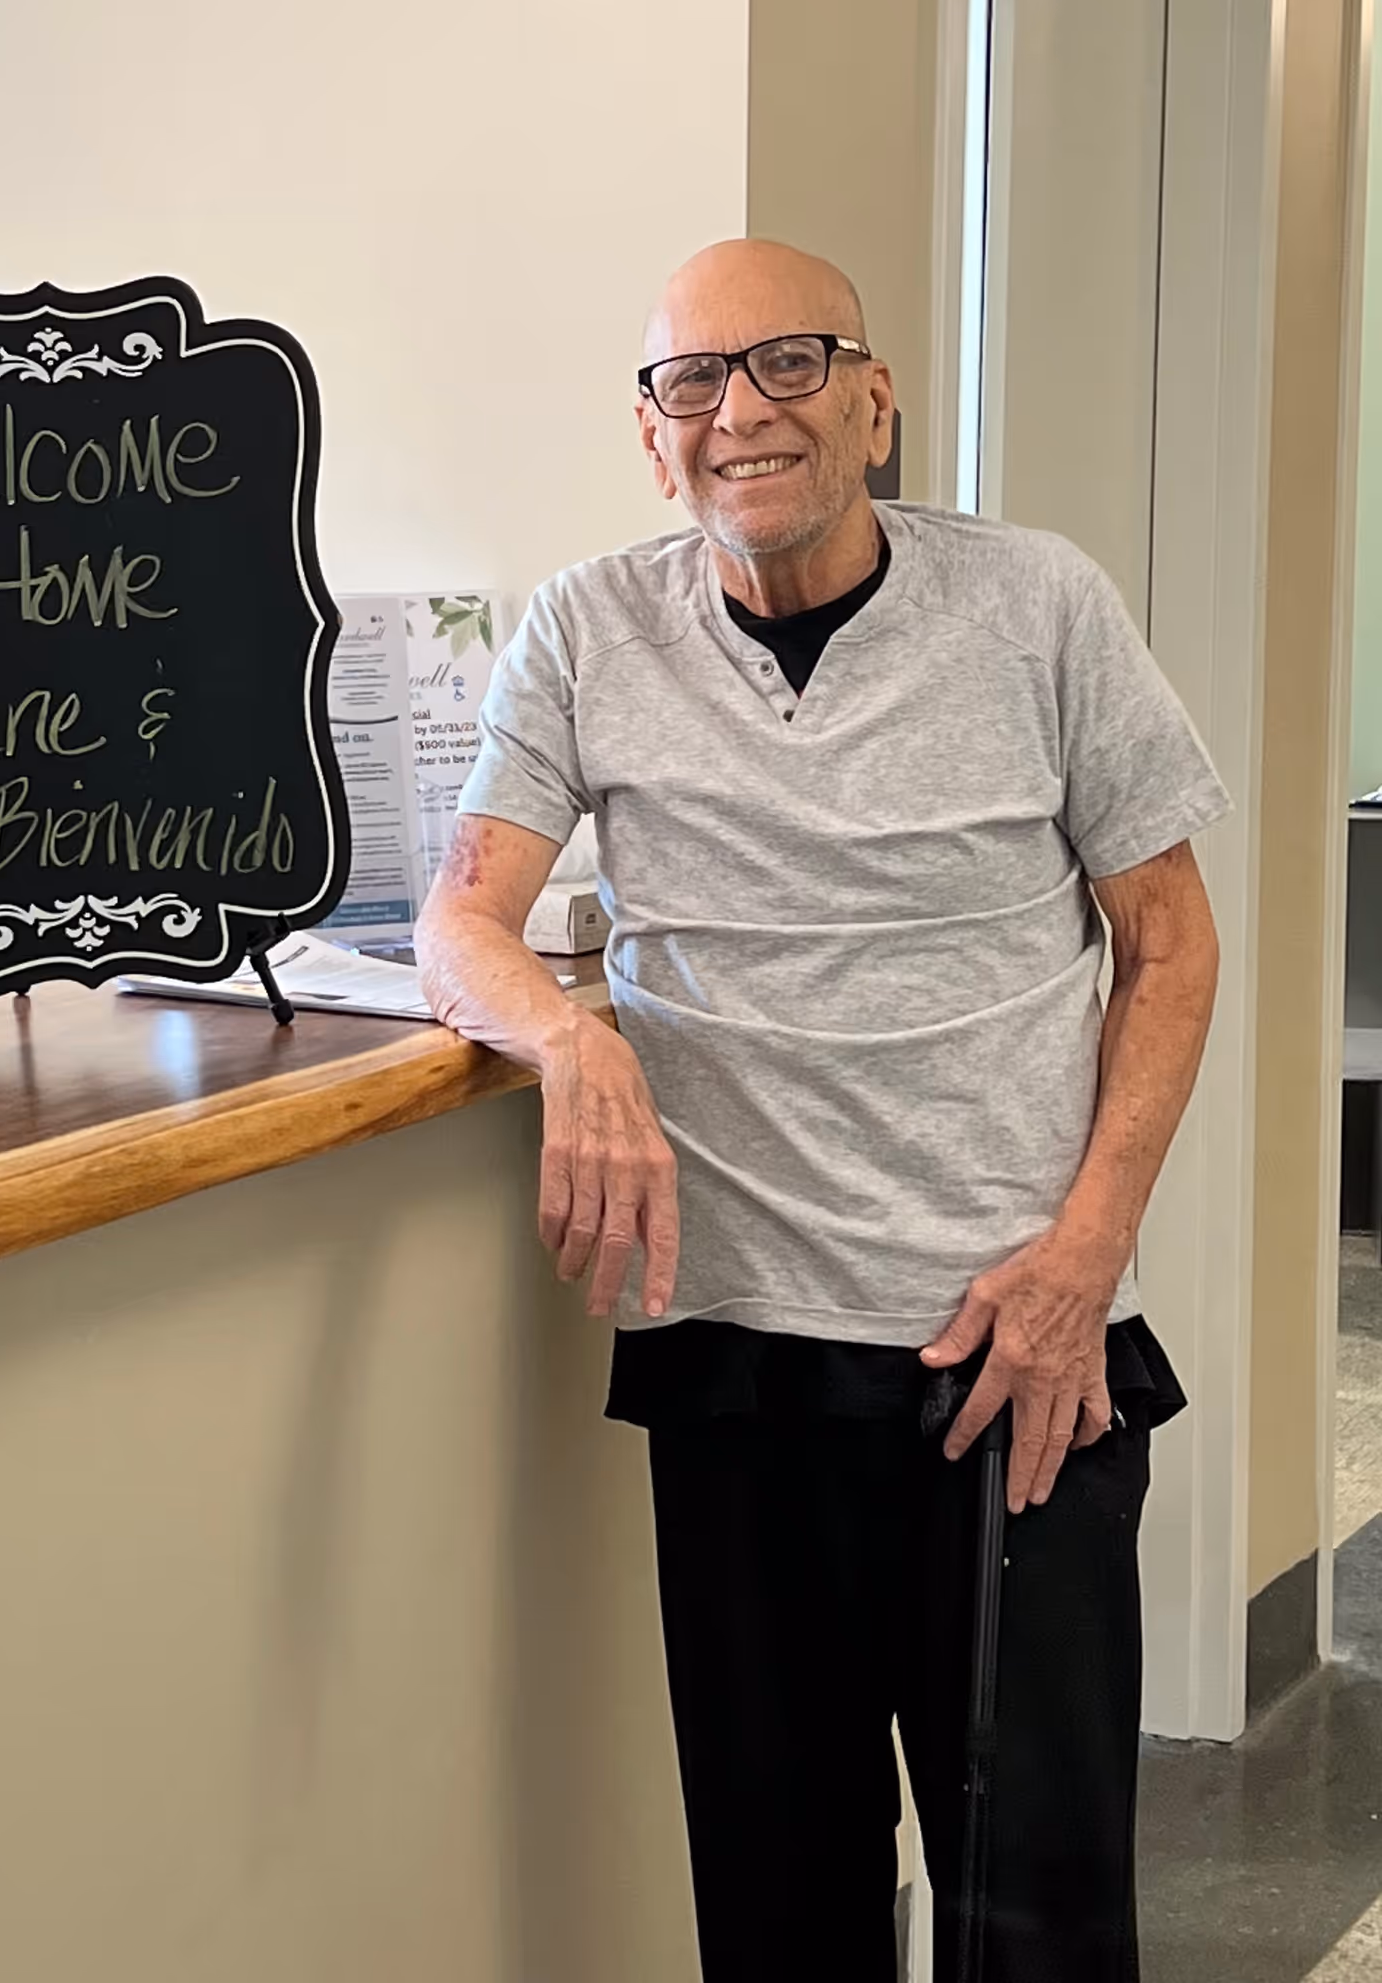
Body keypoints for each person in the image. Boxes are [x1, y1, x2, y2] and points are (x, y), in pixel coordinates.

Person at [414, 239, 1225, 1983]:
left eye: (786, 362)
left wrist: (1087, 1254)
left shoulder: (1037, 608)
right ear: (651, 437)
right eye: (690, 383)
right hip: (737, 1361)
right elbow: (459, 923)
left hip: (1014, 1352)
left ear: (875, 397)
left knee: (1042, 1915)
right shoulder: (587, 629)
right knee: (778, 1910)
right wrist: (576, 1043)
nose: (739, 413)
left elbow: (1169, 946)